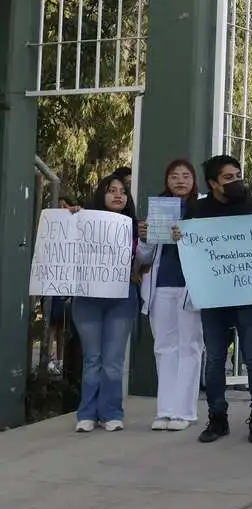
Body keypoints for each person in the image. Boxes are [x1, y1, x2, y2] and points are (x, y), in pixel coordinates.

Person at [177, 154, 252, 444]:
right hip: (213, 296)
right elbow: (188, 247)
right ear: (213, 183)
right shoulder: (197, 210)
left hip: (248, 294)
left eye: (238, 175)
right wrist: (179, 234)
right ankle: (217, 418)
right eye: (228, 178)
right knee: (215, 358)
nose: (236, 181)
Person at [136, 159, 204, 431]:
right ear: (167, 181)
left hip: (191, 287)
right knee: (164, 348)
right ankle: (164, 410)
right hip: (161, 287)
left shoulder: (203, 207)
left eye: (186, 176)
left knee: (190, 347)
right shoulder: (159, 210)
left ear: (193, 180)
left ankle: (184, 412)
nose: (180, 180)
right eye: (174, 176)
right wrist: (145, 238)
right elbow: (144, 256)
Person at [72, 174, 140, 433]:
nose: (118, 195)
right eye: (112, 190)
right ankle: (87, 413)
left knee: (113, 360)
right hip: (88, 299)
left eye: (123, 191)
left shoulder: (135, 227)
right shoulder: (82, 222)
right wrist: (73, 217)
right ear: (101, 194)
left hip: (121, 300)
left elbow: (143, 260)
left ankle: (112, 412)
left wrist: (145, 239)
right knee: (93, 359)